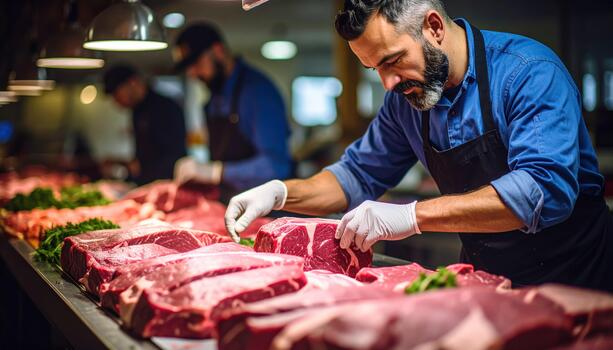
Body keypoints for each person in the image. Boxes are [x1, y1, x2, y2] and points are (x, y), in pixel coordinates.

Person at [224, 0, 613, 291]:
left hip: (577, 279)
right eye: (375, 69)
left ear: (433, 27)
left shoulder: (528, 72)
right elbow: (355, 175)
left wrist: (411, 215)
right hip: (488, 282)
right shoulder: (404, 102)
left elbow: (542, 190)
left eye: (393, 60)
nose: (388, 83)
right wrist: (279, 193)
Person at [172, 22, 293, 202]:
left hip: (263, 211)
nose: (191, 73)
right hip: (225, 204)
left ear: (218, 51)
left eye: (196, 63)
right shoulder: (214, 98)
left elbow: (276, 166)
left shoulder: (258, 91)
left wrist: (216, 171)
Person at [103, 65, 187, 185]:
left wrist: (141, 168)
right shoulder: (136, 111)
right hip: (146, 185)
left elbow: (174, 154)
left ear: (132, 82)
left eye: (117, 93)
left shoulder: (166, 107)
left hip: (168, 184)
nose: (116, 100)